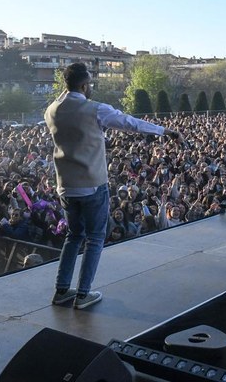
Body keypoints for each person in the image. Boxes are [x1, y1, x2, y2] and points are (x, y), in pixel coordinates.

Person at [45, 62, 182, 309]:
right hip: (92, 184)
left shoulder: (51, 110)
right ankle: (83, 294)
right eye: (89, 84)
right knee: (95, 238)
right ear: (85, 85)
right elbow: (130, 123)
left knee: (73, 236)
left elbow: (64, 96)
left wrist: (69, 87)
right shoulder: (95, 109)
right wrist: (165, 131)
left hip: (65, 185)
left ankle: (61, 290)